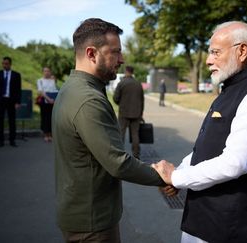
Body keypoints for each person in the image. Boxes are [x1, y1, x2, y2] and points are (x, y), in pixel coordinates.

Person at [152, 21, 247, 243]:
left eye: (215, 52)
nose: (208, 60)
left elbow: (234, 162)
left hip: (235, 226)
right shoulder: (233, 86)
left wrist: (177, 176)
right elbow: (207, 148)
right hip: (207, 220)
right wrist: (178, 175)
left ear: (242, 51)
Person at [52, 18, 164, 242]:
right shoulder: (88, 99)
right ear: (92, 54)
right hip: (92, 222)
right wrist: (163, 177)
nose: (122, 59)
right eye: (115, 52)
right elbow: (118, 162)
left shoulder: (74, 88)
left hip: (82, 211)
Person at [113, 65, 144, 158]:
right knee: (135, 135)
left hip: (124, 112)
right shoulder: (138, 84)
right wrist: (141, 113)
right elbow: (142, 100)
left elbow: (115, 98)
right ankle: (136, 155)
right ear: (132, 72)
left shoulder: (122, 83)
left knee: (121, 134)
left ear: (126, 71)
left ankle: (120, 155)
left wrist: (120, 104)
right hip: (136, 113)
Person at [0, 56, 22, 147]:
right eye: (3, 63)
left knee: (12, 121)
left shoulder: (16, 75)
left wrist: (18, 102)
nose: (4, 65)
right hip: (1, 100)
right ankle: (0, 140)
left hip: (11, 101)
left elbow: (18, 90)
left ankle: (12, 140)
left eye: (6, 64)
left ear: (10, 64)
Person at [36, 67, 57, 142]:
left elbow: (54, 90)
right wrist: (48, 99)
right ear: (43, 72)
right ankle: (46, 134)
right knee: (45, 118)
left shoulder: (53, 80)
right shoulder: (40, 80)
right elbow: (41, 91)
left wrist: (53, 99)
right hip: (44, 101)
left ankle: (50, 134)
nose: (47, 72)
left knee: (51, 117)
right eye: (45, 71)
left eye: (48, 71)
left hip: (52, 101)